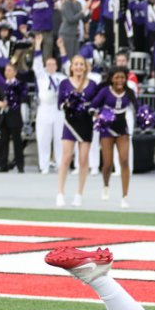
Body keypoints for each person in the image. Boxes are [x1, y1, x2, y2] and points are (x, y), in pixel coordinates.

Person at [91, 66, 138, 209]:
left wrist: (143, 117)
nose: (119, 80)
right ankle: (106, 185)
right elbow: (93, 106)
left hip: (122, 127)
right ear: (111, 79)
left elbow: (138, 107)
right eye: (117, 77)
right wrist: (97, 115)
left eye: (122, 77)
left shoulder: (129, 92)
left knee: (124, 160)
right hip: (107, 128)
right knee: (107, 164)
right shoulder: (105, 91)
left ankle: (125, 196)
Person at [56, 55, 98, 208]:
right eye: (76, 64)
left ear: (85, 67)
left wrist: (95, 112)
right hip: (70, 123)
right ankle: (60, 193)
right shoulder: (65, 83)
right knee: (66, 157)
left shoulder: (92, 84)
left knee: (83, 159)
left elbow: (96, 103)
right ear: (71, 67)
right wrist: (68, 105)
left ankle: (79, 194)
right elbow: (59, 103)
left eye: (82, 64)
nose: (79, 67)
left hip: (86, 123)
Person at [32, 33, 66, 175]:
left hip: (58, 109)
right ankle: (44, 165)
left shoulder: (61, 77)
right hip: (45, 108)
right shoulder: (41, 76)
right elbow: (36, 64)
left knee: (59, 138)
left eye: (53, 64)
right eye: (48, 64)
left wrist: (62, 48)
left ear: (56, 65)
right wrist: (38, 45)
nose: (51, 66)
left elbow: (69, 67)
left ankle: (60, 165)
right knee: (43, 138)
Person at [0, 64, 26, 173]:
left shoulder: (20, 84)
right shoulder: (1, 84)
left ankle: (20, 165)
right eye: (6, 70)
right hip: (4, 116)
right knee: (3, 141)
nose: (7, 72)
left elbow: (22, 97)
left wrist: (10, 102)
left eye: (9, 70)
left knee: (17, 142)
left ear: (15, 72)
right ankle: (3, 164)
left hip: (15, 116)